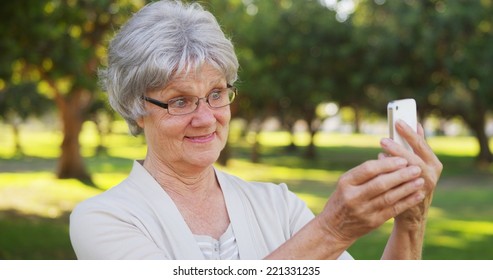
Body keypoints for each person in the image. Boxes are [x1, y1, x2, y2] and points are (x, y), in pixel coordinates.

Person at [69, 0, 443, 260]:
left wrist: (411, 224)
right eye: (180, 101)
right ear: (136, 110)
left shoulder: (278, 205)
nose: (205, 117)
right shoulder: (104, 219)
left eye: (216, 94)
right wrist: (331, 232)